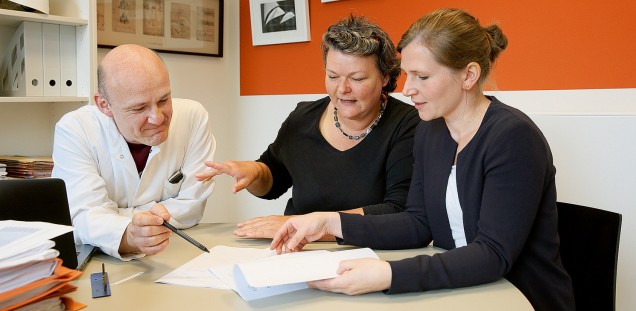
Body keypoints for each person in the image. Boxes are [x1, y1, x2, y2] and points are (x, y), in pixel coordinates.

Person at [270, 8, 575, 310]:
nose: (407, 89)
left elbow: (493, 254)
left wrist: (387, 274)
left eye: (422, 76)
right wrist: (330, 222)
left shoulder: (513, 137)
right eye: (407, 75)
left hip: (519, 297)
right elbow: (417, 223)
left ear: (469, 75)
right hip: (460, 291)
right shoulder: (430, 132)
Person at [196, 15, 419, 239]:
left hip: (369, 255)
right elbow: (273, 180)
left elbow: (397, 211)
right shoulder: (302, 117)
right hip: (298, 251)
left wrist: (304, 225)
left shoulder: (408, 125)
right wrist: (254, 173)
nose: (342, 89)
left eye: (357, 78)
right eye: (332, 76)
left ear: (384, 78)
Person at [52, 44, 216, 260]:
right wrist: (129, 234)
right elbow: (82, 216)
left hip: (176, 252)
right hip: (103, 260)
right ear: (104, 105)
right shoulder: (76, 129)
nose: (157, 118)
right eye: (139, 108)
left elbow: (192, 207)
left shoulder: (193, 117)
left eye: (164, 100)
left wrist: (110, 217)